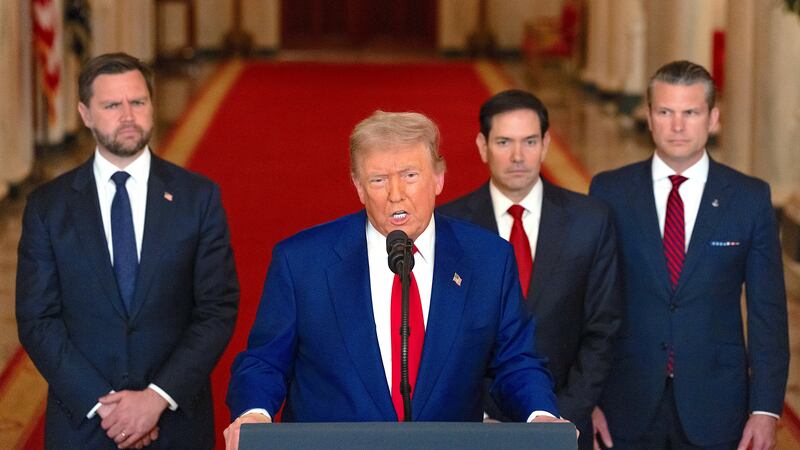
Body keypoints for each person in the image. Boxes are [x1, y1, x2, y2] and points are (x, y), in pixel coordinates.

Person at [224, 111, 568, 449]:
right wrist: (255, 414)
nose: (395, 194)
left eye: (409, 175)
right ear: (359, 187)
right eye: (378, 180)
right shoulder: (301, 261)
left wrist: (540, 416)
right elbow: (264, 361)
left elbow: (515, 361)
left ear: (438, 178)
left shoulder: (488, 260)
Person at [16, 52, 239, 449]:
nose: (128, 115)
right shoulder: (48, 207)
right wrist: (107, 409)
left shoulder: (198, 198)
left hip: (175, 424)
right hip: (83, 425)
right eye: (112, 105)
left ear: (152, 106)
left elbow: (217, 309)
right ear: (85, 114)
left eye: (138, 102)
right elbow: (37, 319)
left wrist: (156, 399)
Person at [589, 60, 789, 450]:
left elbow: (768, 315)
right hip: (624, 403)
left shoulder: (749, 199)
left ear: (713, 118)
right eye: (665, 112)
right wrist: (587, 401)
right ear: (648, 117)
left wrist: (765, 410)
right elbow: (590, 305)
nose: (677, 126)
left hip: (717, 406)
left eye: (690, 113)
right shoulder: (609, 193)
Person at [438, 89, 621, 450]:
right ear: (482, 145)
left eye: (530, 141)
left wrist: (559, 418)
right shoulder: (449, 226)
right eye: (504, 142)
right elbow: (442, 335)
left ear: (546, 144)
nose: (518, 156)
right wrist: (477, 417)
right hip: (475, 425)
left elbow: (603, 329)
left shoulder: (590, 221)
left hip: (565, 422)